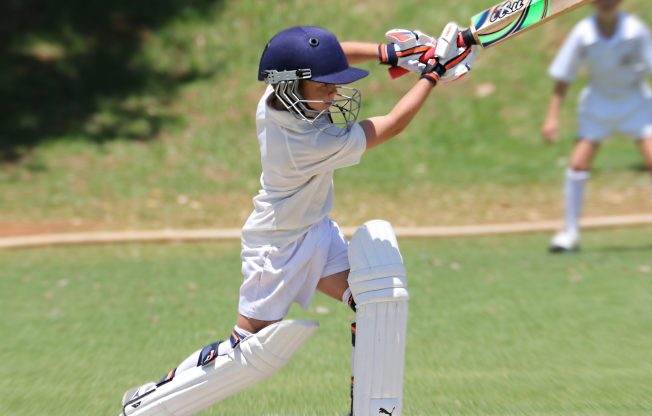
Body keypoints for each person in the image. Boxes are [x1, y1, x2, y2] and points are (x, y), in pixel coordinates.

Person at [119, 26, 476, 415]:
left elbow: (328, 55)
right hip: (277, 247)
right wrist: (433, 73)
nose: (334, 93)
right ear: (292, 87)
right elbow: (392, 124)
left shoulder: (276, 96)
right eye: (324, 87)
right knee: (247, 352)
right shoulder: (306, 142)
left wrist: (390, 53)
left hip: (316, 230)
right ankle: (146, 406)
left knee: (378, 302)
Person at [541, 0, 652, 252]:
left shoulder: (636, 30)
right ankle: (569, 232)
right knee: (578, 165)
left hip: (634, 101)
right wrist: (552, 117)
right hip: (598, 103)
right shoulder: (582, 33)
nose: (606, 3)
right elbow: (564, 76)